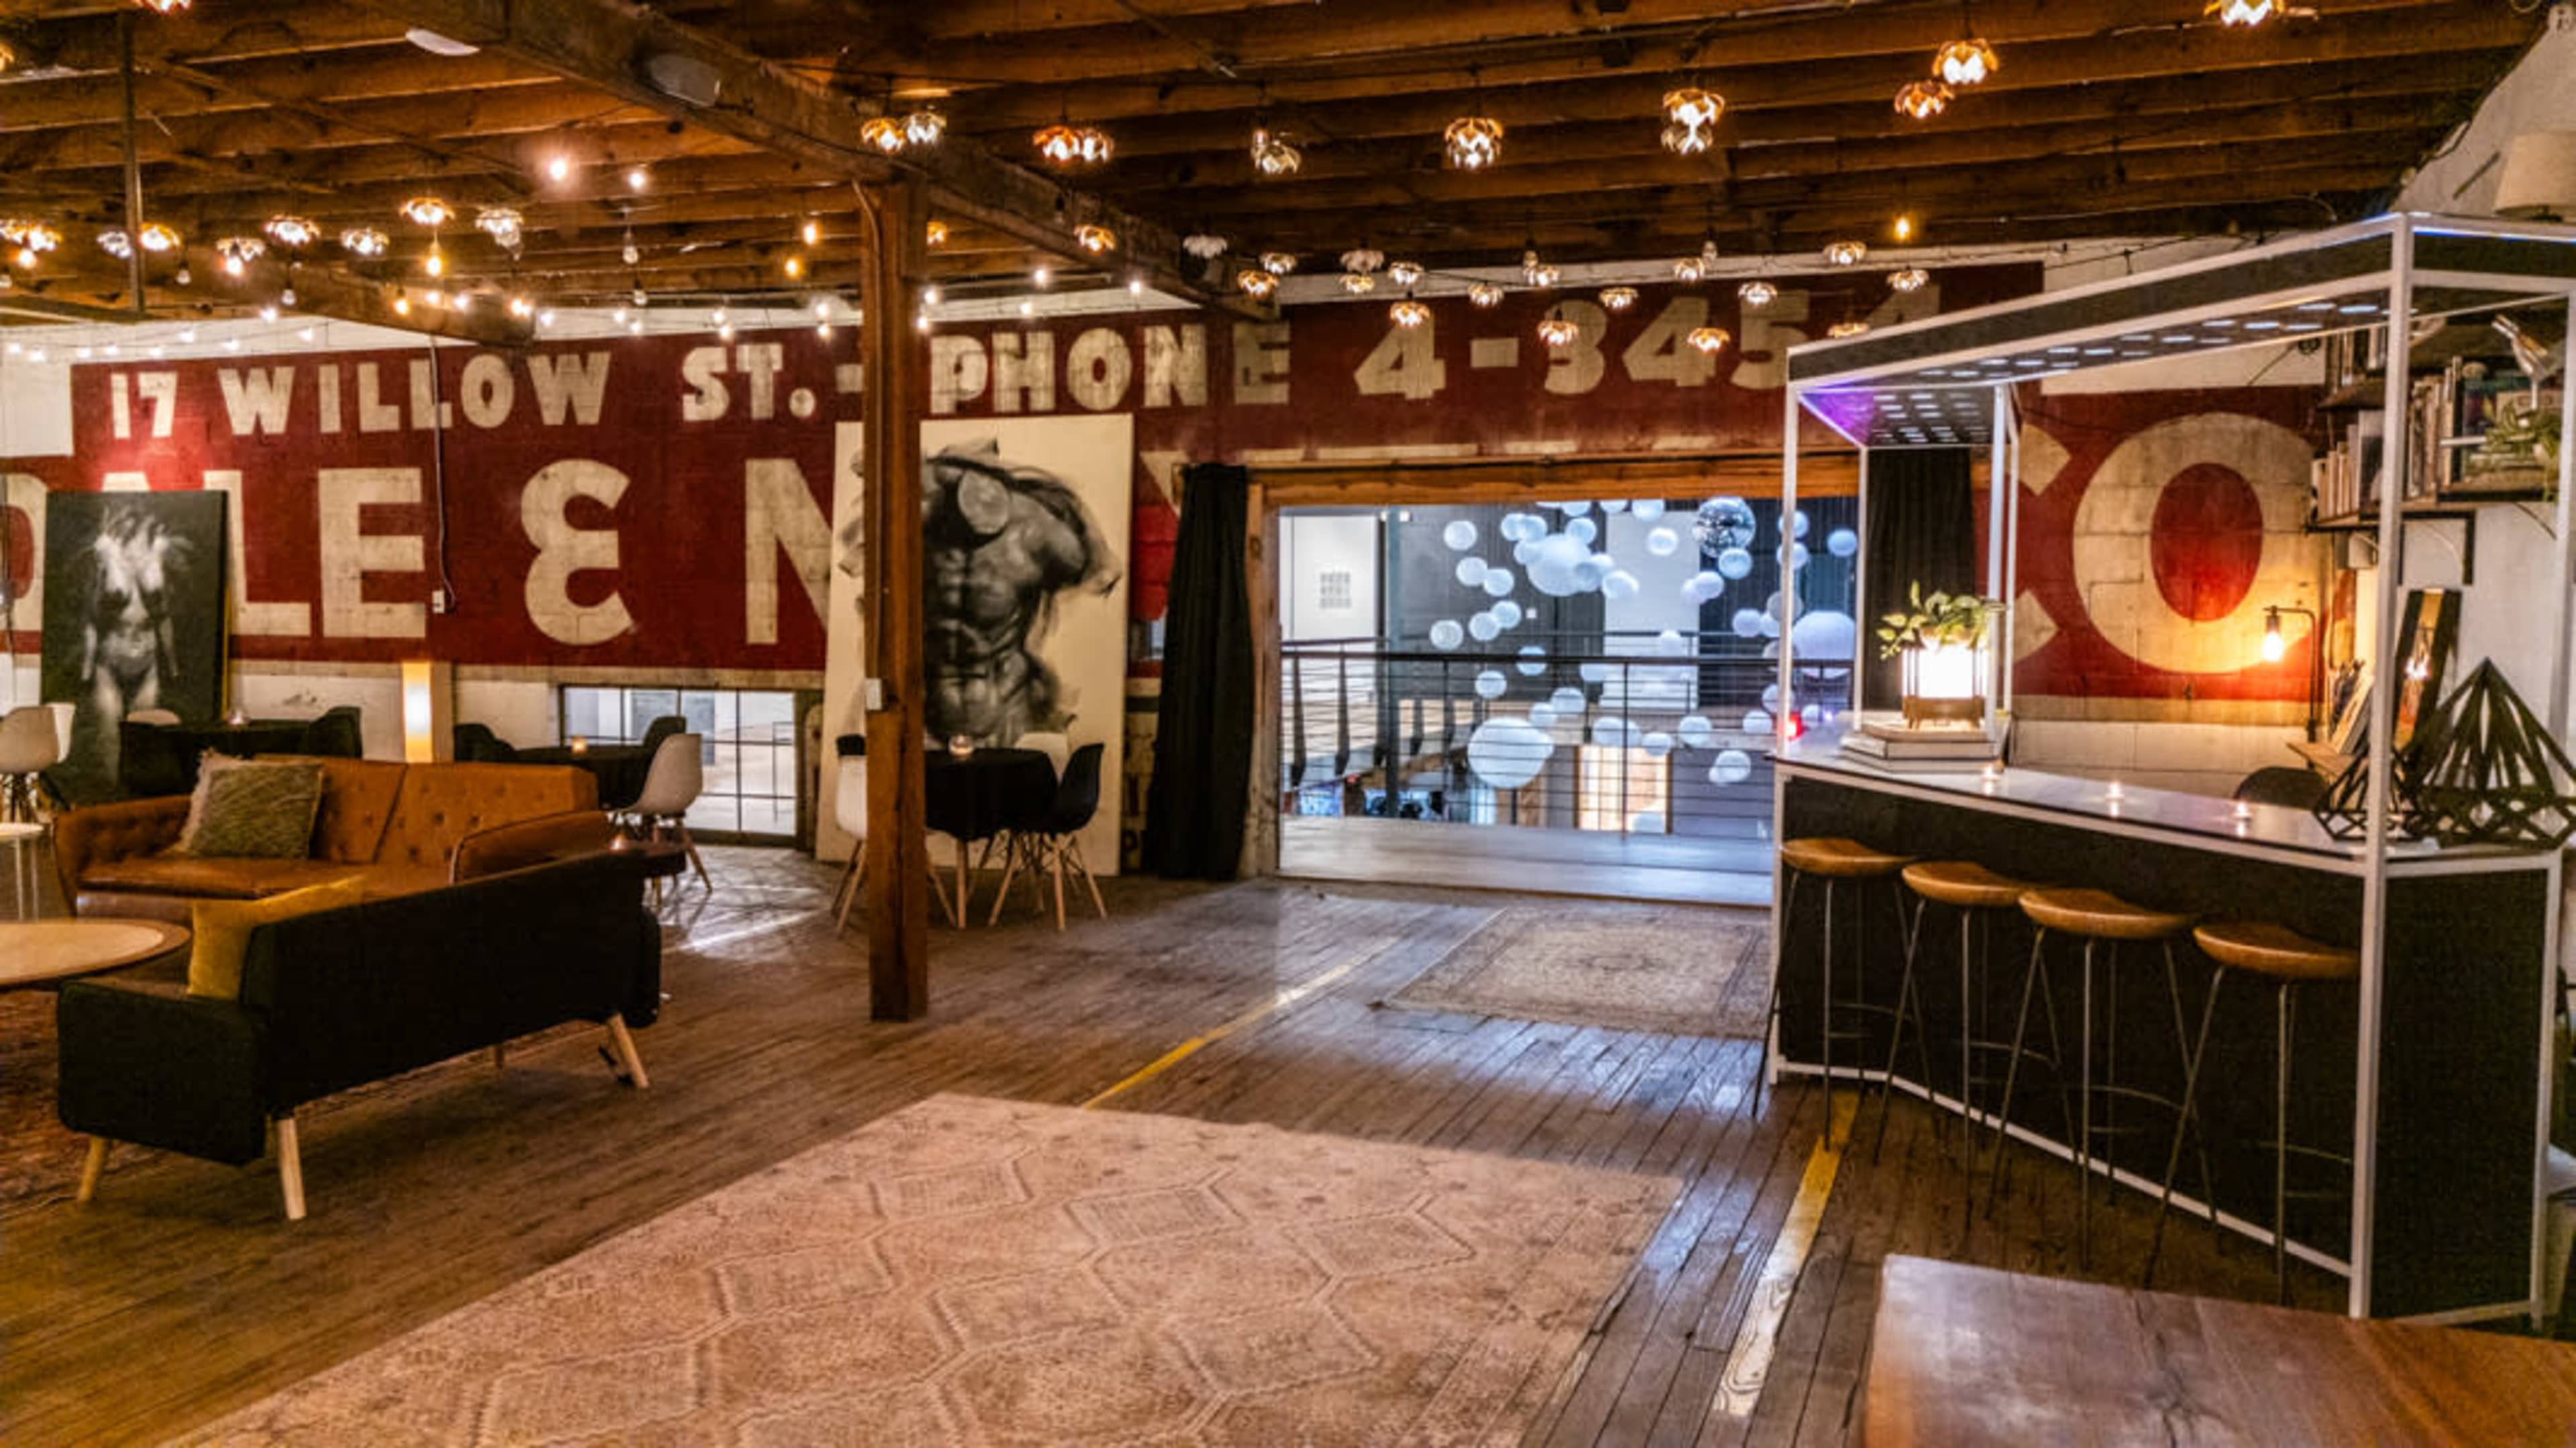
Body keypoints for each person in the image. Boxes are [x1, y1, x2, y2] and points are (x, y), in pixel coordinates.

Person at [920, 440, 1120, 744]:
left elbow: (1104, 572)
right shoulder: (915, 520)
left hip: (1005, 704)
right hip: (926, 709)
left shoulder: (1035, 529)